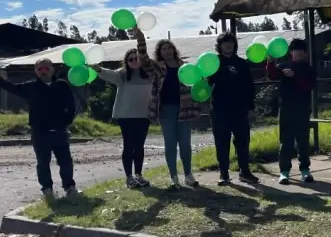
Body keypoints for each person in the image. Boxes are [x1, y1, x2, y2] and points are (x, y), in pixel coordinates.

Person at [0, 59, 77, 200]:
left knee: (65, 161)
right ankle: (47, 189)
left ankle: (69, 187)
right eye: (40, 69)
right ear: (36, 71)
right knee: (42, 163)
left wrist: (66, 122)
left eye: (46, 68)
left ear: (52, 69)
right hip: (39, 133)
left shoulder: (62, 85)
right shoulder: (31, 87)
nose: (43, 71)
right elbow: (12, 87)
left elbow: (71, 106)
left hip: (60, 132)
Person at [91, 31, 156, 189]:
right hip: (125, 116)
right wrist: (95, 66)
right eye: (131, 59)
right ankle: (129, 177)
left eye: (136, 59)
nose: (134, 61)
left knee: (140, 146)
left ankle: (139, 175)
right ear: (126, 61)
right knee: (129, 145)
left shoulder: (149, 74)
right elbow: (105, 73)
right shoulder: (121, 75)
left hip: (143, 115)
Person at [148, 38, 202, 189]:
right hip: (166, 110)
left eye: (169, 48)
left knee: (185, 144)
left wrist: (196, 108)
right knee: (170, 144)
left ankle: (188, 175)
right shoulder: (157, 68)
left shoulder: (185, 66)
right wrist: (139, 37)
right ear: (159, 52)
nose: (167, 51)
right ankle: (174, 176)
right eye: (163, 49)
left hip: (184, 108)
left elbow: (195, 88)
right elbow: (143, 60)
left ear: (174, 50)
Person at [207, 32, 258, 185]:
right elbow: (207, 85)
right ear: (220, 46)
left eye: (230, 42)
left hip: (239, 109)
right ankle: (224, 174)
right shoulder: (213, 63)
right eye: (224, 43)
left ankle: (244, 171)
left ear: (234, 45)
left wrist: (251, 107)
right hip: (219, 109)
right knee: (222, 142)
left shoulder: (242, 64)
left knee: (243, 141)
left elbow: (250, 87)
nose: (228, 45)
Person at [266, 38, 316, 185]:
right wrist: (270, 62)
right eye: (296, 50)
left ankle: (305, 171)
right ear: (291, 52)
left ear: (305, 53)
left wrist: (294, 77)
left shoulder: (309, 69)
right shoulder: (284, 65)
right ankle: (284, 172)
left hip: (302, 110)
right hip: (286, 110)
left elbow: (308, 86)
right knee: (285, 142)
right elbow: (273, 74)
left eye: (302, 51)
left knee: (303, 142)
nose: (299, 53)